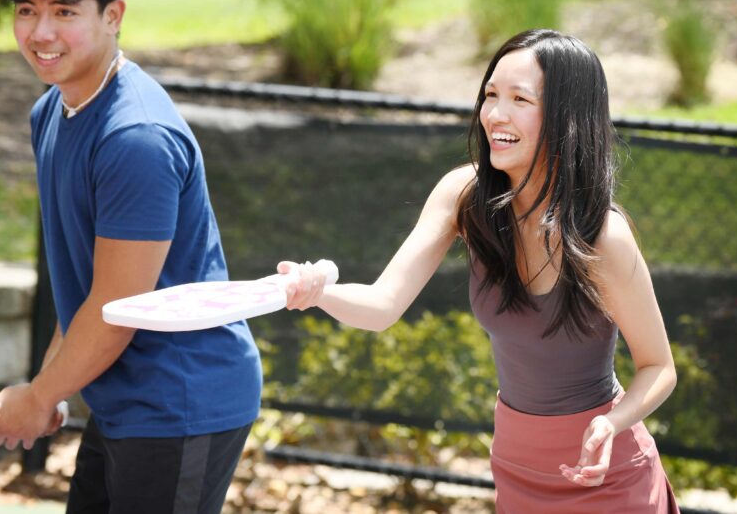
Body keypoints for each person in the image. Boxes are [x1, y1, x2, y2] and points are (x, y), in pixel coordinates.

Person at [281, 29, 680, 513]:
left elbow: (659, 367)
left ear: (565, 116)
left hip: (607, 474)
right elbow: (383, 306)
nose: (495, 114)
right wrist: (318, 291)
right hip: (516, 466)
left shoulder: (602, 236)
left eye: (519, 98)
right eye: (491, 95)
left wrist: (613, 423)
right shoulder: (464, 196)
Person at [0, 0, 262, 513]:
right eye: (26, 9)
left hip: (181, 400)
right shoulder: (51, 112)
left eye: (65, 12)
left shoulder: (135, 137)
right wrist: (54, 386)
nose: (41, 32)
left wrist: (41, 395)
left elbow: (116, 306)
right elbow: (86, 285)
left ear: (113, 15)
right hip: (126, 398)